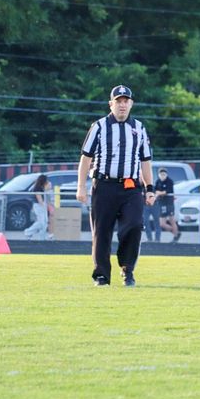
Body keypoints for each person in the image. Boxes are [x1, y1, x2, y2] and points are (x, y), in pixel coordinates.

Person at [76, 85, 156, 287]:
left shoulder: (139, 128)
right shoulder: (99, 126)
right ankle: (102, 275)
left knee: (134, 225)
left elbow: (145, 160)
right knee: (101, 232)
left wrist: (150, 188)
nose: (122, 105)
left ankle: (127, 269)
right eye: (118, 101)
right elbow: (86, 158)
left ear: (131, 104)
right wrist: (81, 186)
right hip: (104, 186)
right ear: (110, 104)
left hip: (130, 187)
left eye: (125, 101)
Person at [155, 168, 181, 243]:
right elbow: (155, 190)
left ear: (166, 174)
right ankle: (176, 233)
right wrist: (159, 193)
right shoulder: (158, 181)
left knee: (171, 220)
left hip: (169, 203)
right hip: (162, 204)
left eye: (164, 174)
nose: (162, 176)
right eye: (161, 174)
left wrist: (160, 193)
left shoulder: (169, 181)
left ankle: (175, 237)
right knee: (162, 224)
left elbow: (167, 191)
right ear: (158, 175)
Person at [24, 174, 50, 240]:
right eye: (46, 180)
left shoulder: (42, 188)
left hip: (42, 205)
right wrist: (43, 206)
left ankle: (42, 238)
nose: (47, 181)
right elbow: (39, 199)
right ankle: (28, 232)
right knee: (41, 222)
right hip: (38, 206)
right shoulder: (37, 188)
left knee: (45, 222)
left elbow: (46, 193)